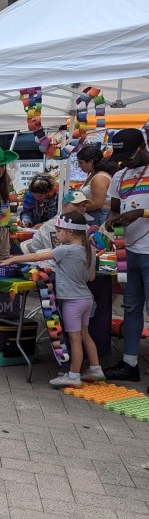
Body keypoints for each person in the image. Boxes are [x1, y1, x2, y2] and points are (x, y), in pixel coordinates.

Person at [1, 211, 103, 387]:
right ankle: (96, 369)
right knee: (85, 334)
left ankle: (74, 376)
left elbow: (36, 256)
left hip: (72, 301)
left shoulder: (65, 250)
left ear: (70, 231)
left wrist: (13, 259)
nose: (56, 234)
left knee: (75, 339)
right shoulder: (90, 252)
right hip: (86, 299)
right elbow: (91, 277)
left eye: (58, 231)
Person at [103, 128, 149, 382]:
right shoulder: (119, 176)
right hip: (126, 250)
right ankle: (129, 364)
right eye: (122, 157)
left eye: (130, 156)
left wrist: (141, 214)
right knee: (130, 307)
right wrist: (112, 221)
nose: (126, 162)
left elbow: (136, 211)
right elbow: (114, 208)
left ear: (142, 147)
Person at [77, 144, 117, 227]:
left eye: (81, 163)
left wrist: (76, 208)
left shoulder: (99, 178)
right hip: (94, 215)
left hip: (99, 216)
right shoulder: (92, 175)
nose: (79, 166)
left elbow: (97, 204)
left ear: (90, 162)